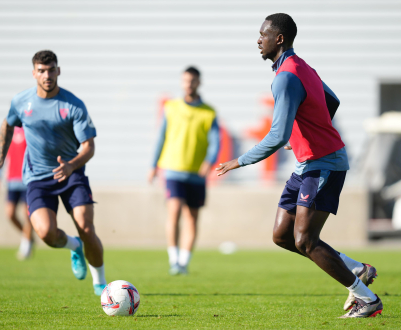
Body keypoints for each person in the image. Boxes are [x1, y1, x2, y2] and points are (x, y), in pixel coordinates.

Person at [216, 14, 382, 318]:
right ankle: (357, 269)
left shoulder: (287, 76)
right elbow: (332, 101)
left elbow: (278, 135)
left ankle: (367, 299)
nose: (258, 40)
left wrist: (238, 161)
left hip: (325, 163)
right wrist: (305, 132)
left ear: (278, 39)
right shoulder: (301, 67)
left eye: (262, 34)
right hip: (307, 164)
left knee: (305, 239)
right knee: (282, 235)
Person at [0, 50, 107, 295]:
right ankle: (74, 247)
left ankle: (101, 283)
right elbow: (8, 124)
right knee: (46, 233)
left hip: (72, 175)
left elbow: (89, 146)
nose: (47, 75)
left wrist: (72, 165)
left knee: (86, 226)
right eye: (41, 70)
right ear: (34, 73)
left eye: (51, 69)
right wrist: (0, 160)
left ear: (58, 71)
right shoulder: (21, 101)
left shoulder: (73, 105)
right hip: (38, 178)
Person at [148, 66, 220, 275]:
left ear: (199, 83)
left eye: (193, 81)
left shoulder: (209, 112)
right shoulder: (171, 107)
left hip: (196, 174)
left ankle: (184, 261)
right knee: (174, 211)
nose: (189, 84)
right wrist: (153, 165)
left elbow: (215, 142)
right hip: (172, 169)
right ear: (182, 82)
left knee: (192, 218)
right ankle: (173, 260)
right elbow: (161, 137)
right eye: (185, 80)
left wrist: (209, 161)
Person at [0, 126, 33, 260]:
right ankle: (28, 236)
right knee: (10, 213)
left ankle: (26, 245)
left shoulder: (30, 128)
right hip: (12, 180)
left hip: (27, 179)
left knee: (27, 214)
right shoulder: (9, 131)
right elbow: (2, 153)